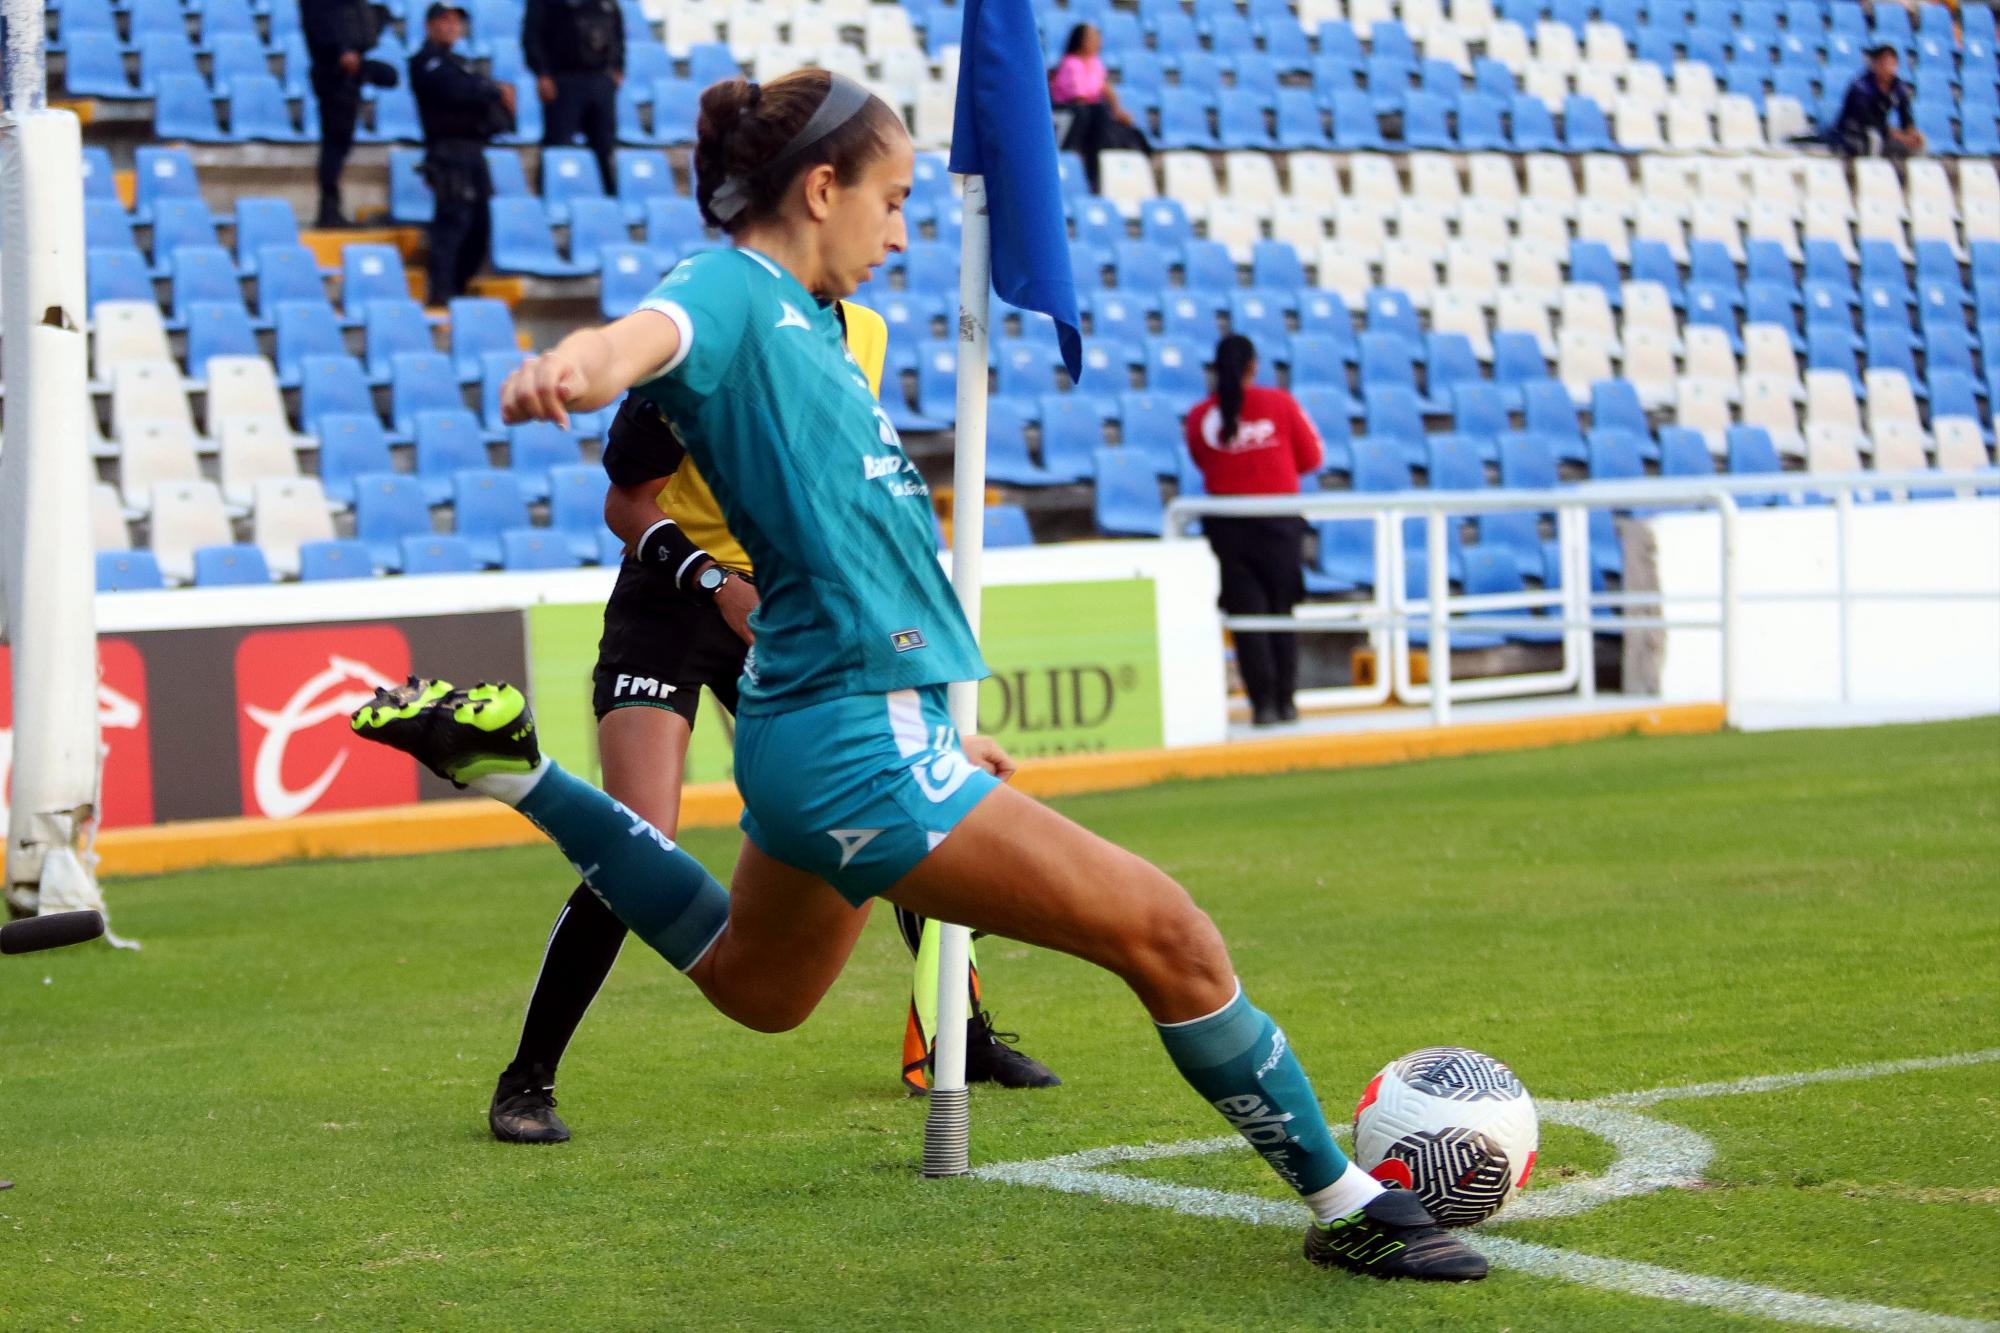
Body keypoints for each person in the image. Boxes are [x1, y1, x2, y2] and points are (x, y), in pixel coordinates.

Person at [353, 68, 1484, 1281]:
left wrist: (930, 728)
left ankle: (521, 774)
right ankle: (1347, 1201)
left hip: (827, 721)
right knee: (1173, 937)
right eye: (889, 200)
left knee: (758, 987)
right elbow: (649, 332)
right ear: (820, 186)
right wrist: (573, 365)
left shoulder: (819, 325)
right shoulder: (734, 288)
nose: (899, 231)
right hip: (844, 740)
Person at [488, 325, 1059, 1145]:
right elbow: (624, 503)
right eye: (886, 205)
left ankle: (958, 1036)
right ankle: (526, 1081)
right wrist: (716, 581)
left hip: (786, 608)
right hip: (670, 606)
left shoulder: (866, 332)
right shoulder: (708, 334)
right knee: (640, 838)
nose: (892, 238)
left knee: (889, 792)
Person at [1183, 335, 1324, 728]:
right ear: (1253, 366)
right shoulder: (1280, 404)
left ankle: (1262, 705)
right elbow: (1312, 457)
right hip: (1278, 521)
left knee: (1246, 615)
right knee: (1282, 612)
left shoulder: (1199, 416)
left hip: (1228, 526)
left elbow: (1201, 461)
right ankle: (1286, 701)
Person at [409, 3, 515, 306]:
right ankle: (442, 295)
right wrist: (491, 89)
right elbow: (454, 90)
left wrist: (487, 92)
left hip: (474, 152)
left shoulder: (461, 64)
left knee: (480, 227)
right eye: (444, 20)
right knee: (452, 225)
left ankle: (458, 287)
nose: (451, 26)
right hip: (447, 153)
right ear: (430, 25)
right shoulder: (425, 61)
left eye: (455, 21)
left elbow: (489, 104)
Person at [523, 0, 625, 193]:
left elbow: (618, 32)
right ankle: (548, 197)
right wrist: (542, 73)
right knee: (558, 145)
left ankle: (608, 201)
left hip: (600, 78)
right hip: (563, 79)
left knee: (604, 145)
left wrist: (619, 66)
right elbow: (531, 36)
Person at [1047, 23, 1150, 196]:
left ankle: (1094, 176)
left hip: (1090, 113)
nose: (1097, 41)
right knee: (1088, 111)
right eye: (1093, 37)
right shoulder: (1070, 64)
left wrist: (1119, 112)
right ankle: (1072, 156)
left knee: (1101, 113)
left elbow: (1107, 91)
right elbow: (1077, 97)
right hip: (1068, 113)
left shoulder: (1096, 64)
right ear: (1081, 41)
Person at [302, 0, 380, 226]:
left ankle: (331, 206)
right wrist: (343, 48)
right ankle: (328, 207)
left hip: (347, 70)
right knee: (335, 141)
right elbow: (322, 21)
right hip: (335, 71)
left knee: (341, 141)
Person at [1827, 44, 1925, 158]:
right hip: (1853, 132)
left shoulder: (1898, 87)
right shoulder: (1861, 86)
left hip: (1881, 133)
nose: (1888, 68)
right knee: (1873, 139)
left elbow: (1905, 115)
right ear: (1875, 64)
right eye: (1884, 64)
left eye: (1892, 64)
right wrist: (1895, 134)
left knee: (1918, 141)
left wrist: (1910, 131)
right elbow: (1866, 119)